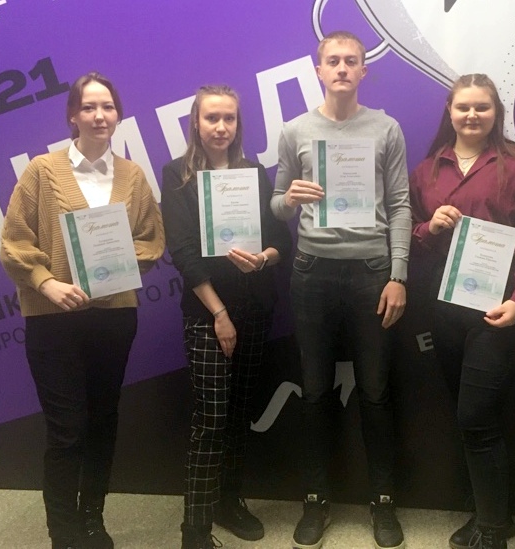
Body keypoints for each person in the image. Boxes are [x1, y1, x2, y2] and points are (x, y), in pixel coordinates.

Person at [0, 72, 165, 549]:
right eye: (89, 107)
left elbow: (152, 240)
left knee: (102, 421)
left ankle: (92, 518)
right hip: (54, 321)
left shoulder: (132, 176)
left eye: (108, 107)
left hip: (114, 319)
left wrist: (120, 264)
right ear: (73, 115)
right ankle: (63, 532)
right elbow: (13, 242)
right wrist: (46, 283)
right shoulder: (42, 171)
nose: (99, 115)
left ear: (118, 114)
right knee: (66, 431)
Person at [271, 30, 411, 549]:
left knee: (375, 391)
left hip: (372, 272)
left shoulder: (386, 128)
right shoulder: (295, 130)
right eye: (333, 61)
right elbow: (276, 206)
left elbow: (400, 205)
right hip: (312, 272)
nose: (343, 69)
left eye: (352, 61)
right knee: (314, 391)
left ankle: (383, 501)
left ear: (363, 70)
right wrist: (289, 199)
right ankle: (315, 499)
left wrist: (398, 274)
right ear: (319, 69)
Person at [409, 74, 515, 549]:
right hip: (446, 308)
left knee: (476, 417)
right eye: (463, 107)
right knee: (468, 417)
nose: (472, 115)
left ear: (496, 112)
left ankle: (491, 531)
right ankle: (494, 516)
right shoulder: (427, 170)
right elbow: (409, 236)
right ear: (449, 112)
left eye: (482, 107)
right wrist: (430, 227)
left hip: (498, 309)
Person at [161, 85, 292, 549]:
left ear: (238, 124)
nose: (221, 127)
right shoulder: (177, 176)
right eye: (212, 118)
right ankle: (194, 529)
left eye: (229, 119)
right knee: (211, 418)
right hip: (207, 314)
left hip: (254, 308)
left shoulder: (253, 173)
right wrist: (218, 312)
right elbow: (181, 252)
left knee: (238, 413)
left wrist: (264, 259)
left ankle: (229, 502)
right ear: (195, 123)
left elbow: (281, 240)